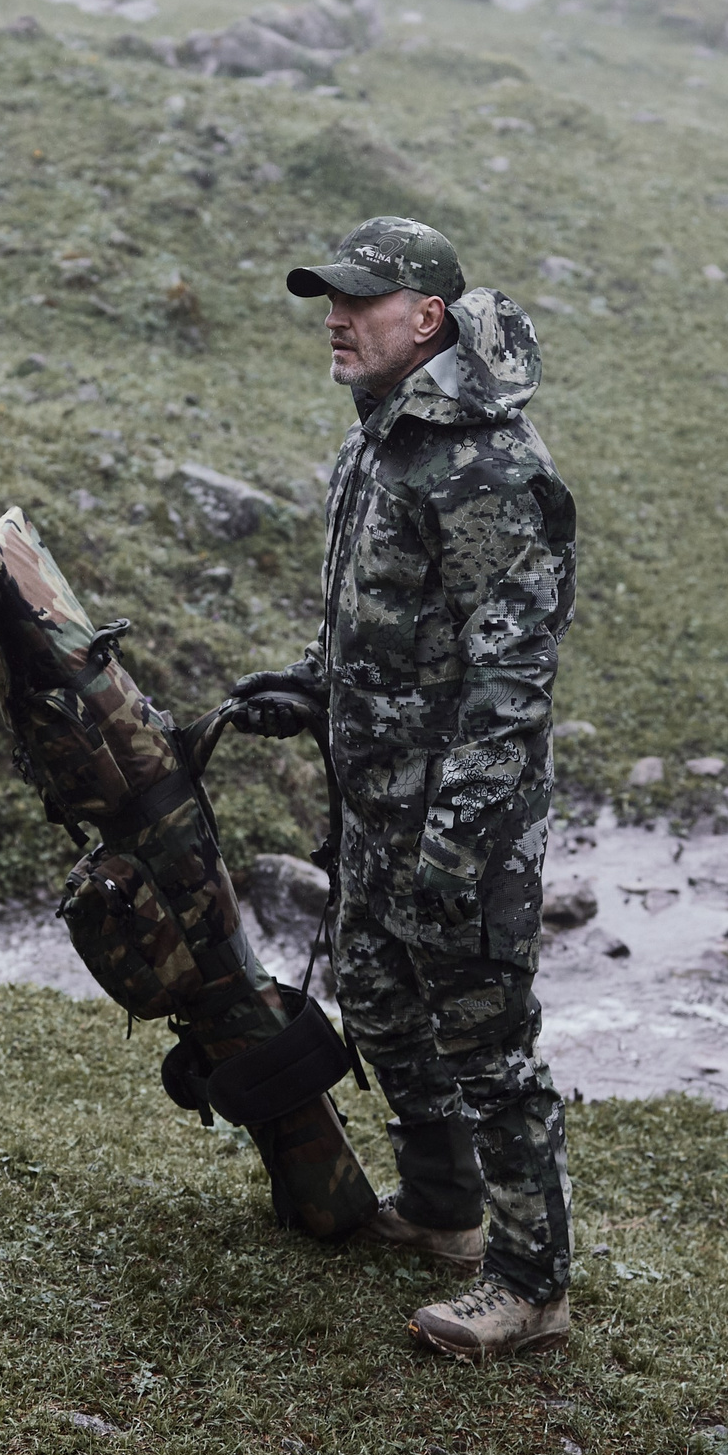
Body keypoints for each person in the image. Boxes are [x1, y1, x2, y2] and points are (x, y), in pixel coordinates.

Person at [230, 216, 578, 1362]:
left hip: (457, 819)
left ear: (425, 319)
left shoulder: (485, 463)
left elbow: (510, 673)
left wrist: (456, 841)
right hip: (377, 800)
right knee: (379, 1000)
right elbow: (383, 623)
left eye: (360, 301)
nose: (335, 318)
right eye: (329, 297)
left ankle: (531, 1285)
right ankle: (444, 1213)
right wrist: (310, 687)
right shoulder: (380, 439)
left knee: (487, 1044)